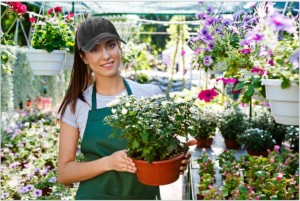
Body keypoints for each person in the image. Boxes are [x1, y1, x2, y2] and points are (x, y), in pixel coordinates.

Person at [57, 17, 191, 200]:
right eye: (94, 49)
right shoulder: (77, 105)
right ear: (83, 57)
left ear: (119, 47)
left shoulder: (150, 94)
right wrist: (109, 163)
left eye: (110, 45)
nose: (106, 55)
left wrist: (177, 160)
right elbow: (64, 173)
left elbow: (165, 152)